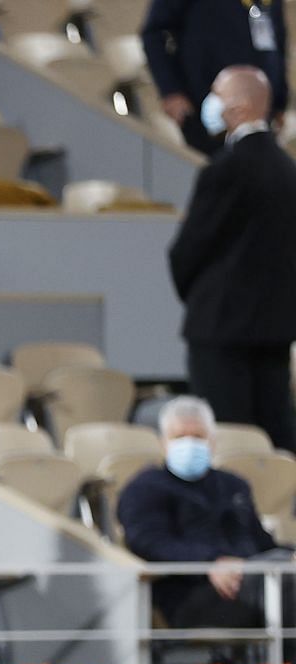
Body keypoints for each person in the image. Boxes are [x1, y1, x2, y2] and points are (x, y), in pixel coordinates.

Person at [167, 65, 296, 454]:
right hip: (276, 329)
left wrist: (202, 297)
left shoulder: (225, 169)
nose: (211, 103)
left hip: (220, 330)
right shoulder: (289, 171)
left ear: (238, 107)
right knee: (275, 439)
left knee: (229, 441)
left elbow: (188, 249)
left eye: (217, 94)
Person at [118, 395, 292, 654]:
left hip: (254, 581)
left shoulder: (233, 485)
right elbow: (148, 543)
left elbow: (261, 543)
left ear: (212, 442)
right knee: (287, 581)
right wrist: (211, 562)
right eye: (179, 437)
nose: (189, 444)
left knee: (286, 569)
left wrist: (288, 556)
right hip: (191, 596)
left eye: (198, 437)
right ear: (163, 443)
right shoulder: (144, 488)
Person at [142, 0, 287, 156]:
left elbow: (279, 42)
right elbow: (154, 33)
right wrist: (170, 90)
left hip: (261, 117)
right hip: (206, 111)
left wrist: (280, 102)